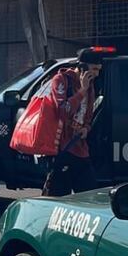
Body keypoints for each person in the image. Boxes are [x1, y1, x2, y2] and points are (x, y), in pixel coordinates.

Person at [39, 48, 105, 197]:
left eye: (99, 70)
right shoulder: (61, 80)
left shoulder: (90, 86)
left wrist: (86, 128)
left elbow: (88, 116)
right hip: (62, 149)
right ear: (82, 67)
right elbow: (62, 110)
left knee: (89, 195)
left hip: (80, 148)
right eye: (94, 69)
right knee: (58, 196)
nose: (96, 73)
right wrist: (82, 90)